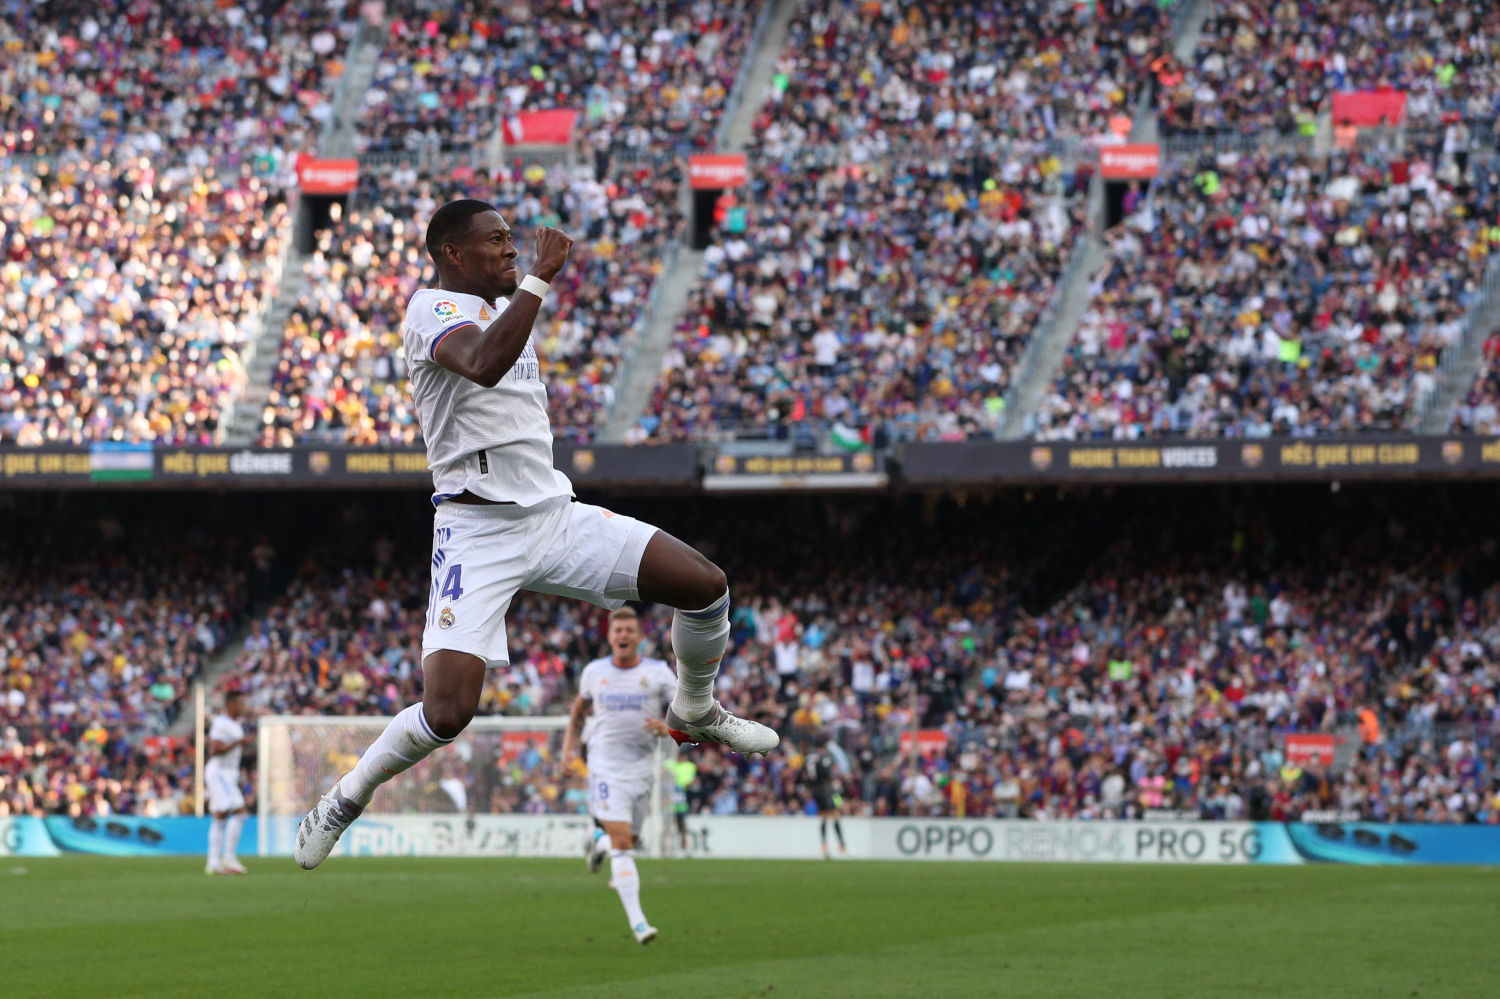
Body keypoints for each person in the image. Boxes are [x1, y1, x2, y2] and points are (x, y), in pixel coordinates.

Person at [296, 199, 778, 870]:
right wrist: (541, 279)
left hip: (552, 514)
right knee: (448, 711)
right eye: (495, 241)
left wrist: (526, 288)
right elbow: (486, 363)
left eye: (513, 241)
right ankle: (346, 796)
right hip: (475, 529)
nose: (512, 250)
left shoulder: (504, 307)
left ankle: (695, 705)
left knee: (704, 585)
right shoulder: (431, 309)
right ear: (453, 255)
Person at [561, 606, 675, 943]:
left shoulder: (659, 673)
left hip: (642, 770)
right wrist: (568, 750)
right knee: (624, 845)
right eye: (617, 631)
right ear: (610, 637)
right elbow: (578, 713)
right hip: (605, 767)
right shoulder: (594, 672)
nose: (623, 635)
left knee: (629, 843)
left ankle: (598, 840)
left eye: (629, 630)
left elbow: (688, 712)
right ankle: (639, 923)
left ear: (639, 637)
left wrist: (668, 728)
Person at [206, 689, 253, 875]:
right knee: (240, 813)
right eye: (240, 703)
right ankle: (229, 858)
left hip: (227, 774)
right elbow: (214, 750)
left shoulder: (235, 724)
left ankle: (213, 862)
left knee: (220, 816)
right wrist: (239, 742)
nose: (243, 707)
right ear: (230, 704)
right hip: (220, 774)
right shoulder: (221, 723)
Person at [803, 738, 845, 858]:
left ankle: (825, 846)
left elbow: (804, 774)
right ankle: (841, 846)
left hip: (814, 789)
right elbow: (828, 773)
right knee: (834, 813)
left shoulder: (809, 758)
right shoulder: (825, 757)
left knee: (824, 815)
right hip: (824, 788)